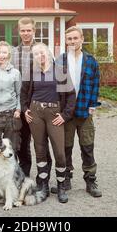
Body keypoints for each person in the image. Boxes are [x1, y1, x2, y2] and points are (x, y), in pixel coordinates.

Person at [21, 43, 76, 203]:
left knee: (59, 151)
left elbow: (71, 95)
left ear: (48, 52)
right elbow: (23, 93)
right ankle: (43, 184)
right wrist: (25, 109)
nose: (40, 55)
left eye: (42, 52)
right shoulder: (31, 72)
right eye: (36, 53)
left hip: (54, 113)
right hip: (36, 112)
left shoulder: (60, 71)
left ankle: (61, 185)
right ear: (34, 57)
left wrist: (65, 115)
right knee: (40, 150)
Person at [54, 26, 102, 198]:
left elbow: (96, 84)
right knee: (66, 147)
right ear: (66, 41)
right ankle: (66, 178)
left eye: (75, 38)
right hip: (66, 112)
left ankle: (90, 180)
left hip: (84, 110)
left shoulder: (91, 61)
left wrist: (93, 105)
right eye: (69, 39)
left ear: (82, 39)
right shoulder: (60, 61)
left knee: (87, 147)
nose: (73, 41)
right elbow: (55, 87)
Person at [11, 17, 52, 178]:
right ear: (19, 31)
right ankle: (24, 175)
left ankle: (44, 177)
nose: (26, 33)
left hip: (40, 103)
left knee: (41, 142)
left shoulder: (44, 51)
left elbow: (51, 76)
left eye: (29, 30)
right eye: (23, 30)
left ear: (34, 31)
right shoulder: (14, 53)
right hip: (21, 104)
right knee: (22, 143)